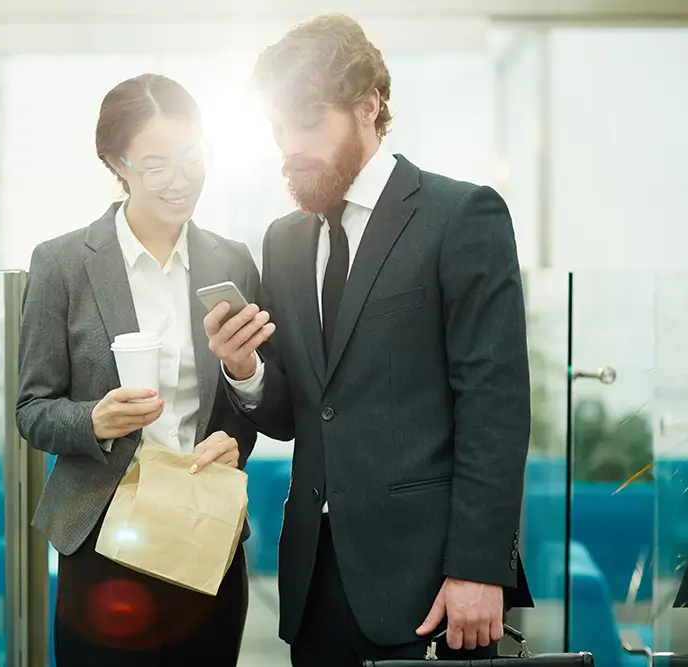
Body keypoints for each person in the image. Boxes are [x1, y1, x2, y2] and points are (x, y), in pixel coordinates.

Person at [203, 13, 535, 665]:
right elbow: (299, 412)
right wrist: (245, 369)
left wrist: (478, 567)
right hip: (314, 584)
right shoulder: (285, 240)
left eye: (307, 122)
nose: (289, 146)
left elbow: (494, 408)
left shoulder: (462, 216)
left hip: (435, 586)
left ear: (368, 106)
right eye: (278, 128)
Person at [15, 73, 258, 667]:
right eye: (156, 165)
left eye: (192, 158)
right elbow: (32, 410)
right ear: (115, 163)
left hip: (206, 530)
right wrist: (95, 420)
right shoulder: (62, 263)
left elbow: (245, 401)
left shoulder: (231, 261)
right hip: (104, 538)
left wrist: (240, 416)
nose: (181, 181)